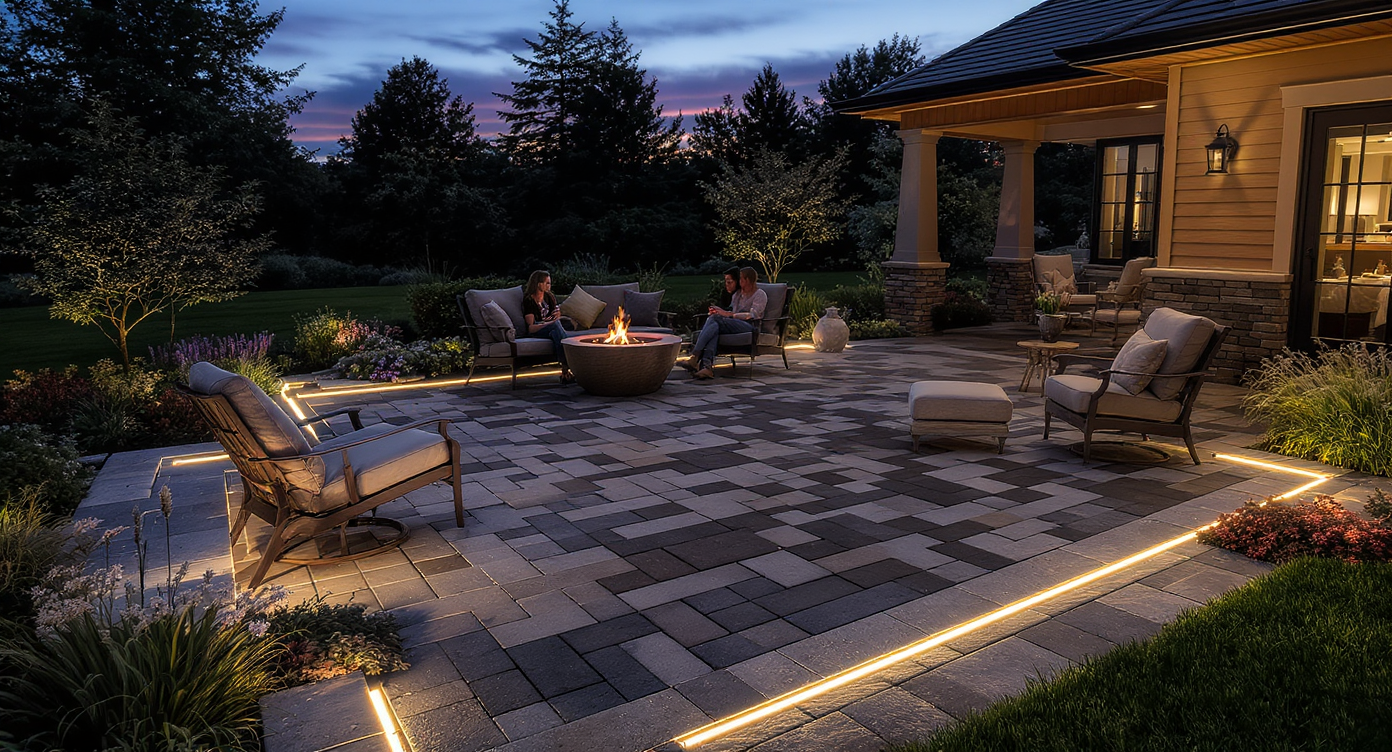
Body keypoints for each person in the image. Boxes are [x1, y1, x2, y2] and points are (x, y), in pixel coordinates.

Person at [684, 266, 767, 380]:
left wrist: (729, 315)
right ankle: (706, 367)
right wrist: (720, 311)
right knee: (715, 323)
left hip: (750, 326)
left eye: (741, 279)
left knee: (716, 320)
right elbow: (732, 312)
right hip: (735, 324)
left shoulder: (760, 294)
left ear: (747, 280)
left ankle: (695, 355)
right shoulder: (737, 295)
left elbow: (753, 315)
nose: (739, 281)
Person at [522, 270, 574, 384]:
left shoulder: (549, 297)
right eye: (547, 283)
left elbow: (556, 314)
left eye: (549, 283)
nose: (549, 286)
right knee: (556, 326)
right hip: (537, 328)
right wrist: (549, 323)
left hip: (552, 327)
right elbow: (531, 327)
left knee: (558, 330)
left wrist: (557, 316)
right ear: (538, 284)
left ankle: (565, 370)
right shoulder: (529, 300)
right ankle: (570, 364)